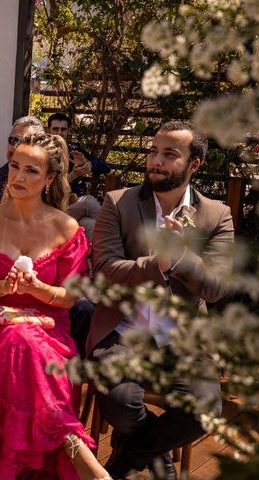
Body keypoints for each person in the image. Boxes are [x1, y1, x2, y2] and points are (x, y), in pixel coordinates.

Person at [0, 134, 111, 480]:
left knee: (25, 345)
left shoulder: (66, 227)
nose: (19, 178)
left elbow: (69, 298)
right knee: (17, 341)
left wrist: (37, 288)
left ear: (50, 178)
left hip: (50, 332)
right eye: (14, 167)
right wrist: (3, 286)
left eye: (31, 170)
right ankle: (76, 449)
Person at [89, 121, 234, 479]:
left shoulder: (216, 215)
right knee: (121, 404)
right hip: (124, 329)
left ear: (194, 164)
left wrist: (183, 259)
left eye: (169, 154)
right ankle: (157, 462)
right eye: (153, 151)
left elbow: (216, 287)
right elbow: (104, 270)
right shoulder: (119, 202)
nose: (155, 160)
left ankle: (125, 459)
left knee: (205, 411)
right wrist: (158, 264)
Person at [47, 112, 111, 240]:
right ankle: (118, 237)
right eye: (55, 129)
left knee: (91, 225)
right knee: (88, 201)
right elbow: (49, 188)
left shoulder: (73, 150)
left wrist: (87, 163)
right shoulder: (43, 152)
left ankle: (96, 258)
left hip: (71, 206)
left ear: (68, 131)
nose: (59, 133)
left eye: (63, 129)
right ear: (48, 130)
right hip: (51, 209)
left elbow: (105, 167)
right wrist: (73, 175)